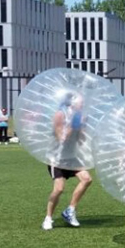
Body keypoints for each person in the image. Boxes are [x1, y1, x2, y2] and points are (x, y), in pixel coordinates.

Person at [42, 93, 90, 231]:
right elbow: (61, 138)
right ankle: (48, 218)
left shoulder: (81, 116)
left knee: (86, 179)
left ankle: (70, 210)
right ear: (72, 103)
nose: (83, 105)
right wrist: (73, 124)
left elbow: (81, 139)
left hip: (71, 157)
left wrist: (81, 127)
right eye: (81, 102)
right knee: (59, 189)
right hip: (56, 158)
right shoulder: (60, 115)